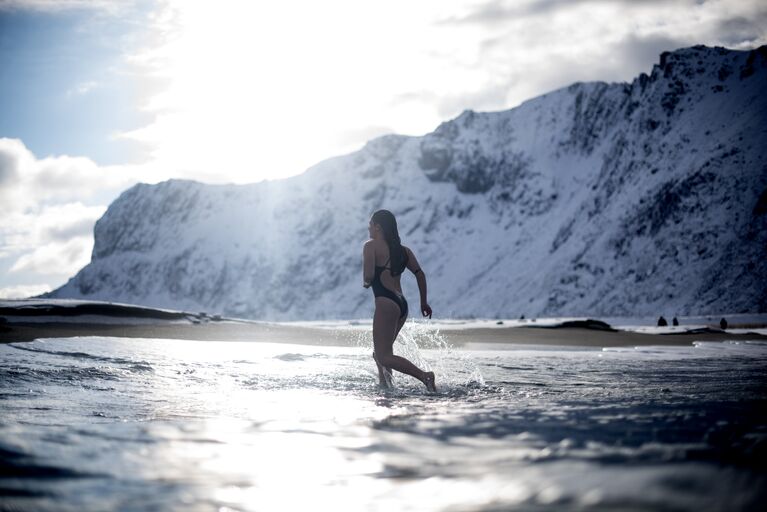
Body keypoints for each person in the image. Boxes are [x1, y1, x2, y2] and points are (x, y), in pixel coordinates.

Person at [363, 210, 436, 391]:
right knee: (381, 353)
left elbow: (369, 275)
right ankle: (386, 387)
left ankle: (424, 376)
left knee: (383, 355)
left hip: (386, 303)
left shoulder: (370, 246)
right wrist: (423, 303)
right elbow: (420, 274)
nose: (368, 228)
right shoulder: (404, 251)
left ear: (378, 227)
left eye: (370, 225)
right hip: (401, 305)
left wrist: (366, 282)